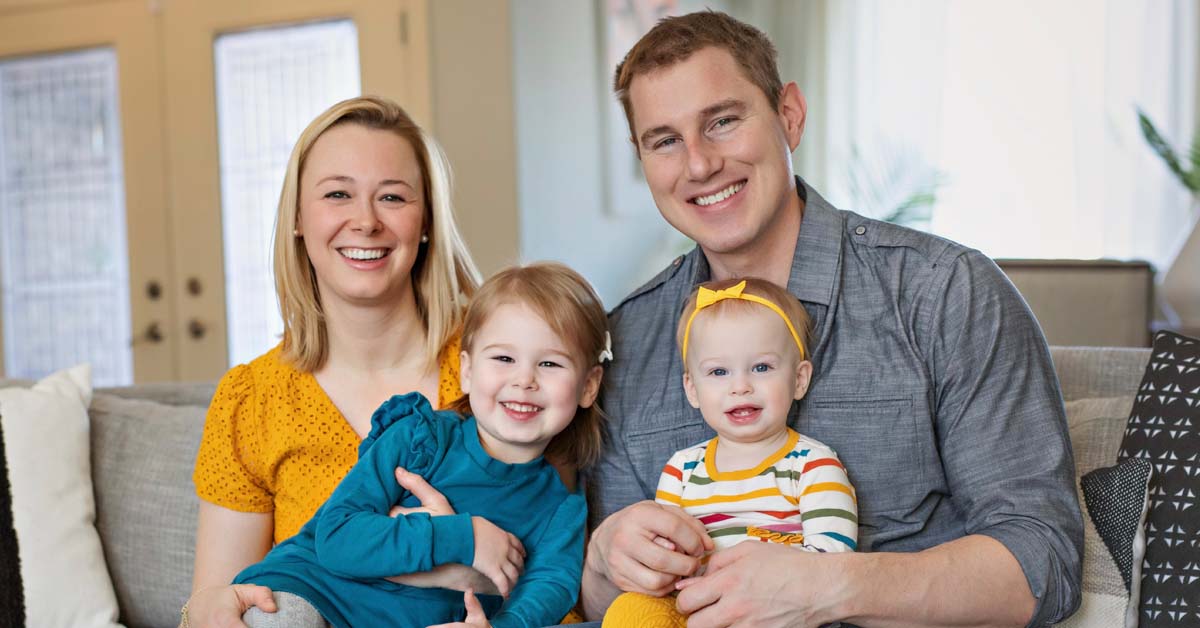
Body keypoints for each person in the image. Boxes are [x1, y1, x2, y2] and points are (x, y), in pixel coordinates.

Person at [584, 11, 1082, 628]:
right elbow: (608, 607)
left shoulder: (944, 293)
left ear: (789, 115)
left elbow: (1045, 563)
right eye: (664, 140)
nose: (699, 165)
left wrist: (829, 587)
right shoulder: (625, 340)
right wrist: (603, 564)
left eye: (723, 121)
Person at [184, 95, 484, 627]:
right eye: (338, 194)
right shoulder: (251, 400)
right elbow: (220, 604)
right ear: (299, 218)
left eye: (392, 197)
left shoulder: (499, 363)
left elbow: (560, 563)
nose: (365, 221)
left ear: (426, 221)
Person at [231, 262, 609, 628]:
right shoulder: (419, 438)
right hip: (314, 593)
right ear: (467, 370)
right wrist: (465, 537)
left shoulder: (561, 504)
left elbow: (550, 586)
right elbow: (336, 536)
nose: (524, 379)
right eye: (504, 358)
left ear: (588, 386)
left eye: (550, 364)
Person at [601, 277, 857, 628]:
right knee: (632, 611)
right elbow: (666, 557)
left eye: (762, 367)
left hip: (780, 613)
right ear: (692, 388)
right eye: (719, 372)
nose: (740, 386)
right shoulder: (682, 470)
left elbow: (833, 563)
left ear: (799, 379)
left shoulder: (814, 465)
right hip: (692, 609)